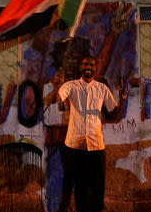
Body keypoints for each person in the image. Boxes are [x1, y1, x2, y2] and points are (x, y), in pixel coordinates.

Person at [56, 56, 128, 212]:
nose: (89, 66)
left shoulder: (102, 89)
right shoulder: (70, 86)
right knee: (79, 184)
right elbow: (61, 103)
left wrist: (122, 100)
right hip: (76, 144)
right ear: (80, 68)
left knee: (98, 183)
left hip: (96, 143)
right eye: (85, 64)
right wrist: (61, 96)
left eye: (92, 65)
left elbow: (113, 115)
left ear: (95, 69)